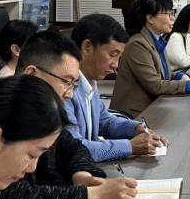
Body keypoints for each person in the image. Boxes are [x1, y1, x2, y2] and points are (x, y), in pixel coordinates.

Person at [0, 30, 137, 199]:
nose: (69, 94)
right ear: (32, 75)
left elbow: (73, 147)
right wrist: (93, 197)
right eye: (67, 82)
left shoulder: (44, 114)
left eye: (73, 84)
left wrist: (82, 174)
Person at [66, 13, 167, 161]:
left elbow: (104, 121)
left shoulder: (89, 81)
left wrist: (136, 128)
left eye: (119, 57)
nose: (115, 65)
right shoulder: (65, 89)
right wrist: (130, 146)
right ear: (87, 47)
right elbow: (75, 149)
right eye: (113, 55)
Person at [110, 0, 190, 115]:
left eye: (172, 13)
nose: (172, 19)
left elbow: (163, 74)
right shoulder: (138, 45)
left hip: (154, 105)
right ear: (150, 18)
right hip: (134, 114)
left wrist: (180, 76)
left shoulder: (157, 40)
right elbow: (155, 85)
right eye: (168, 14)